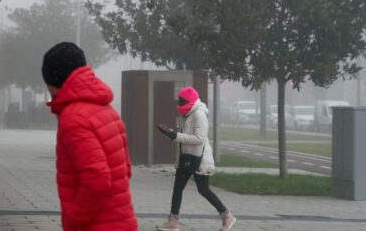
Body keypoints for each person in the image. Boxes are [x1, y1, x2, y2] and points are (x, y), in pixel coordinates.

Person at [41, 42, 138, 231]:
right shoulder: (105, 109)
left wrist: (74, 218)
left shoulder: (74, 118)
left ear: (52, 80)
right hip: (122, 221)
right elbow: (125, 167)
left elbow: (97, 179)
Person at [156, 86, 236, 231]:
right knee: (178, 188)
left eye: (182, 100)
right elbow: (184, 137)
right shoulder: (187, 114)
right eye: (179, 100)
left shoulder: (199, 114)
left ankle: (226, 215)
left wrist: (176, 135)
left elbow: (199, 139)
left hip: (199, 159)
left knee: (203, 189)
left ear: (190, 100)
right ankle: (173, 221)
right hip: (186, 158)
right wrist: (170, 133)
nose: (179, 103)